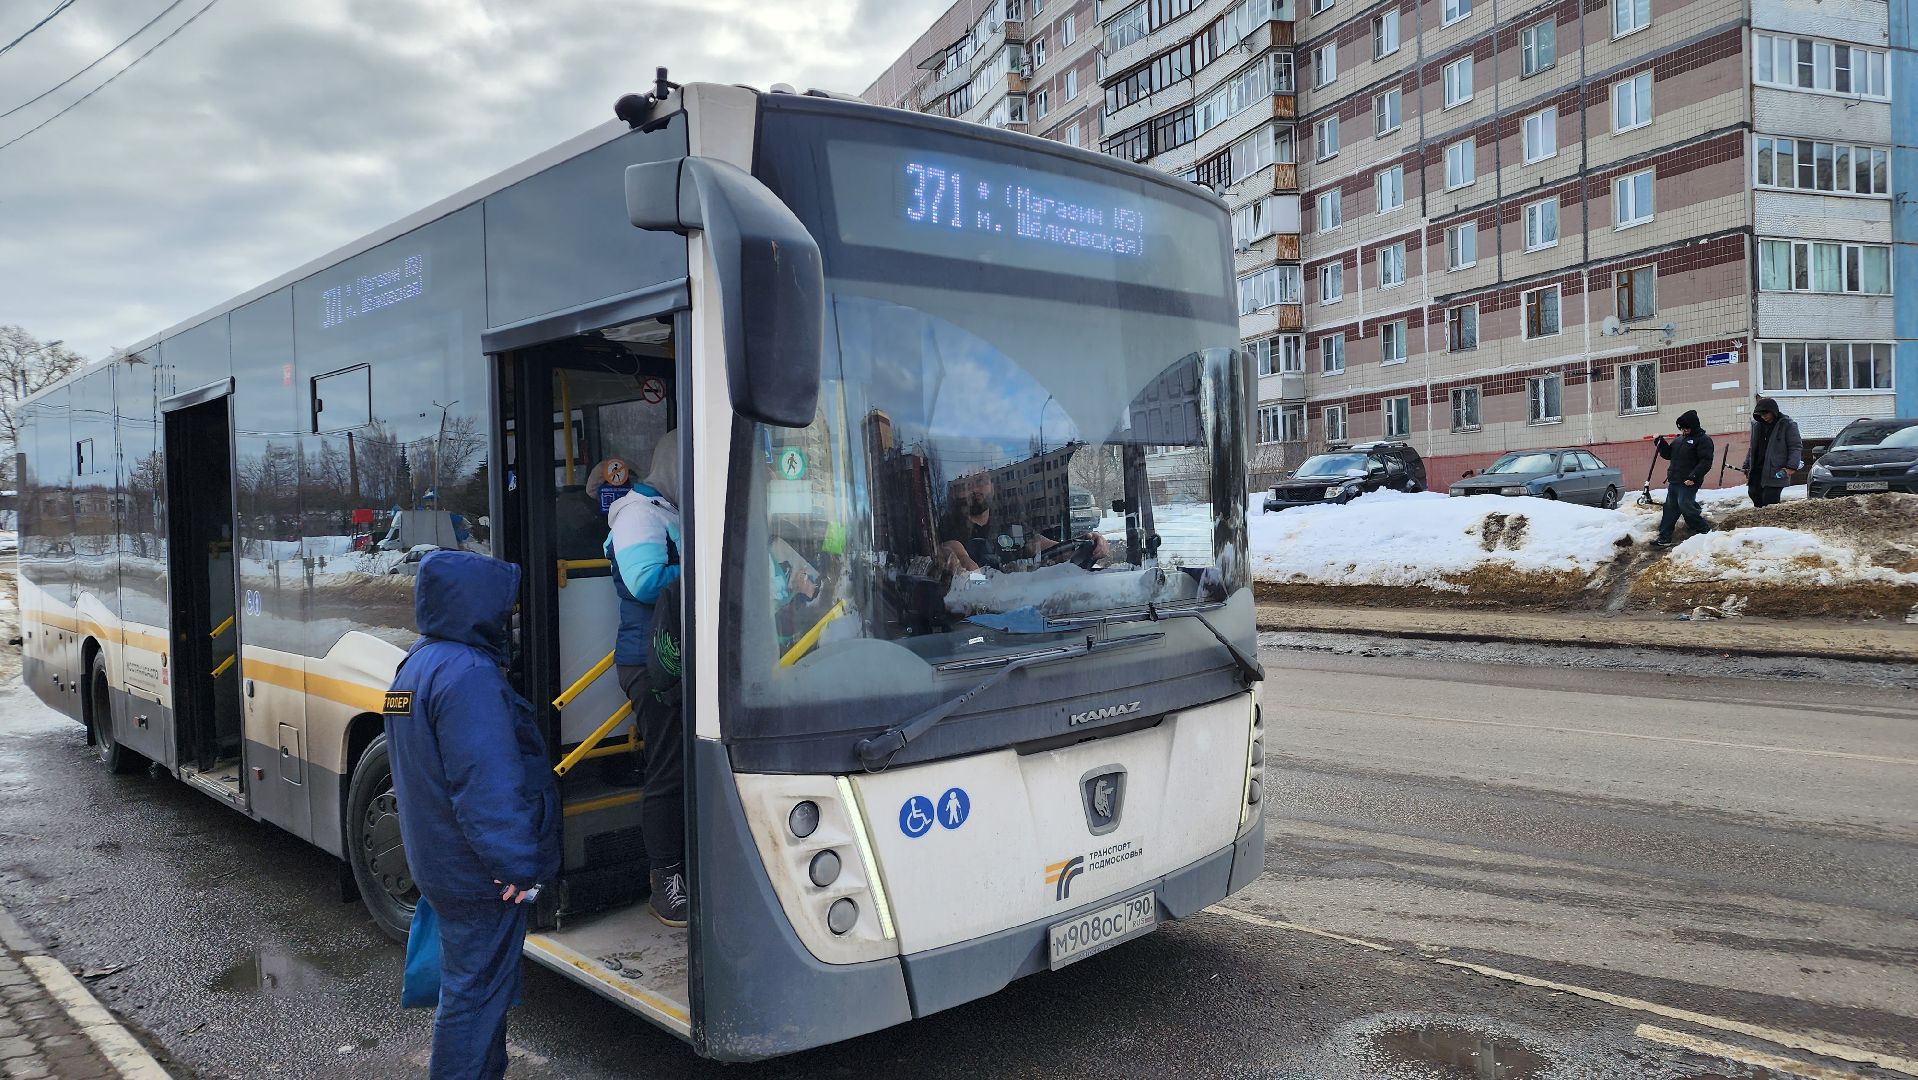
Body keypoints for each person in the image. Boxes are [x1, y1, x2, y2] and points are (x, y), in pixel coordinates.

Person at [384, 551, 559, 1080]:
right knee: (472, 1000)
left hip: (440, 860)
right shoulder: (470, 676)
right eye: (504, 608)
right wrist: (517, 867)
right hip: (479, 874)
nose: (509, 618)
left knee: (480, 996)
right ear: (478, 608)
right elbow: (486, 785)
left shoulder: (413, 666)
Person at [586, 431, 688, 927]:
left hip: (681, 658)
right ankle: (665, 880)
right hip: (652, 663)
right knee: (669, 769)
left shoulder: (669, 509)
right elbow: (646, 581)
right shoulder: (637, 512)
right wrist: (713, 567)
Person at [939, 470, 1107, 575]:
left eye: (980, 481)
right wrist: (965, 564)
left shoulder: (1011, 524)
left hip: (1022, 604)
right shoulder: (949, 527)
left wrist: (1086, 543)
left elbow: (1050, 548)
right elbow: (958, 554)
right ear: (956, 492)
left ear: (992, 486)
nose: (975, 489)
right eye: (966, 483)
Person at [1651, 409, 1715, 549]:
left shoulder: (1703, 440)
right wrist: (1659, 442)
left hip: (1689, 481)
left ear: (1693, 426)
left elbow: (1706, 462)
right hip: (1674, 480)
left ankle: (1705, 531)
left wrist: (1694, 476)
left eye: (1686, 427)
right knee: (1670, 509)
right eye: (1681, 428)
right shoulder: (1679, 440)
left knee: (1686, 505)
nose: (1684, 430)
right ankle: (1664, 537)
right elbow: (1668, 455)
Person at [1741, 396, 1803, 509]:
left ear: (1773, 411)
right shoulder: (1757, 426)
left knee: (1770, 500)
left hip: (1776, 470)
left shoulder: (1787, 425)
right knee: (1754, 494)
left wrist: (1791, 467)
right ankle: (1760, 525)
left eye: (1766, 413)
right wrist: (1747, 465)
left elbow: (1795, 447)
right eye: (1761, 414)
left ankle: (1770, 525)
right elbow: (1753, 448)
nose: (1763, 416)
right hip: (1757, 470)